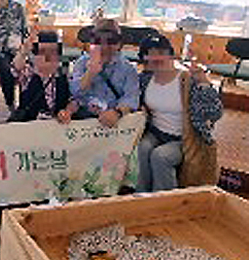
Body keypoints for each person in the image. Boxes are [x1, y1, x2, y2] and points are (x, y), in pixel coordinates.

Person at [136, 34, 223, 192]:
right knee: (141, 148)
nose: (156, 58)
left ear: (170, 54)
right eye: (149, 53)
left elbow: (214, 113)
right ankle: (141, 195)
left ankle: (165, 201)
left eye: (161, 52)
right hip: (156, 132)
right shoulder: (145, 80)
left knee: (160, 156)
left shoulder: (187, 80)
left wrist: (204, 82)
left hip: (184, 138)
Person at [70, 18, 140, 127]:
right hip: (84, 118)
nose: (105, 47)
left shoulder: (128, 69)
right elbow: (75, 93)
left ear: (119, 44)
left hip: (113, 120)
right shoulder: (82, 63)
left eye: (111, 42)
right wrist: (90, 73)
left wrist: (117, 112)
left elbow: (132, 98)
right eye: (99, 42)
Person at [10, 31, 77, 123]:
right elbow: (14, 70)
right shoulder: (29, 73)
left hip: (56, 125)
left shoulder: (64, 75)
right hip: (29, 126)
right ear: (36, 55)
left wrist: (67, 111)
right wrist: (23, 51)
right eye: (42, 52)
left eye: (53, 52)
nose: (48, 57)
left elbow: (73, 100)